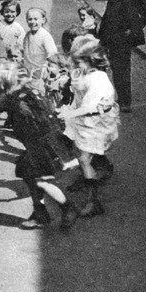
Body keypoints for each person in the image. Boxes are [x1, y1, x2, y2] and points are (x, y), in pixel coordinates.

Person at [0, 61, 78, 230]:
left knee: (42, 181)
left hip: (43, 147)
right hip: (45, 143)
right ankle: (40, 213)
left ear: (1, 82)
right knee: (29, 173)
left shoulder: (11, 99)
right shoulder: (26, 91)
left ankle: (68, 208)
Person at [59, 36, 119, 217]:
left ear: (91, 60)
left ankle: (94, 201)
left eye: (79, 62)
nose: (77, 66)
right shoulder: (87, 73)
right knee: (82, 155)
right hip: (87, 123)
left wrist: (69, 113)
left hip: (94, 124)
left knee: (84, 158)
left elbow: (91, 107)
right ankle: (89, 178)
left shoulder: (98, 79)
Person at [97, 0, 146, 113]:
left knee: (123, 70)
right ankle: (121, 98)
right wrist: (101, 36)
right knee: (114, 69)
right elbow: (108, 17)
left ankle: (126, 102)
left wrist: (133, 30)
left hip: (124, 39)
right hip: (110, 38)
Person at [23, 8, 57, 92]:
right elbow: (25, 52)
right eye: (30, 19)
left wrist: (50, 72)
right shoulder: (27, 35)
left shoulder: (45, 36)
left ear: (43, 20)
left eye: (36, 19)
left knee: (38, 94)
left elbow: (52, 55)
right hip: (28, 71)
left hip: (41, 72)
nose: (33, 22)